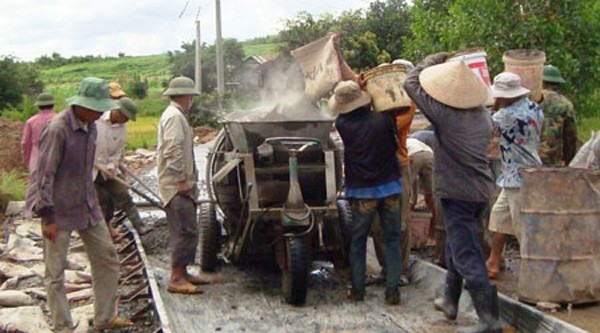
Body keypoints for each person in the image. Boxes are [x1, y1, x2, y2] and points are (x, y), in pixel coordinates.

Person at [404, 53, 502, 333]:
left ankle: (488, 320)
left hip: (458, 194)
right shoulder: (483, 115)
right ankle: (450, 299)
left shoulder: (445, 116)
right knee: (455, 245)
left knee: (466, 253)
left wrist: (431, 61)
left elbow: (411, 84)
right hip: (481, 192)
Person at [32, 77, 133, 332]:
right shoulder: (57, 129)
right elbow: (44, 175)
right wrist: (47, 216)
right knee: (55, 272)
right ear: (82, 105)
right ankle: (62, 325)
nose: (101, 112)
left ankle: (104, 317)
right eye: (97, 107)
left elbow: (87, 170)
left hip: (87, 205)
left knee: (107, 259)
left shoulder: (92, 127)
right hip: (59, 208)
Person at [331, 80, 402, 305]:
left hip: (362, 192)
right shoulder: (384, 120)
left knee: (359, 241)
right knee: (392, 240)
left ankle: (358, 290)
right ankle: (393, 292)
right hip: (390, 187)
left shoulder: (342, 124)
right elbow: (394, 145)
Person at [485, 72, 544, 280]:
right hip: (523, 172)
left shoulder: (504, 116)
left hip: (518, 178)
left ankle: (535, 274)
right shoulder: (534, 108)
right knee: (500, 218)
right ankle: (493, 261)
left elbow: (487, 131)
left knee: (523, 228)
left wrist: (493, 110)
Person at [158, 76, 206, 294]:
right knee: (185, 230)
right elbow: (172, 149)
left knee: (187, 228)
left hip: (178, 183)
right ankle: (176, 278)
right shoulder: (175, 117)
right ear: (187, 96)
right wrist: (180, 179)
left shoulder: (175, 115)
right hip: (175, 185)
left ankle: (183, 272)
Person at [94, 97, 150, 236]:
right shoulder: (97, 121)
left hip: (109, 168)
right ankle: (103, 232)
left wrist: (112, 166)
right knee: (101, 200)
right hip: (92, 169)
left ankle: (139, 226)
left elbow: (118, 151)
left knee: (123, 194)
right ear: (118, 112)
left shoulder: (122, 129)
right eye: (126, 117)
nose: (127, 121)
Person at [22, 92, 56, 220]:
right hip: (54, 151)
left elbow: (25, 142)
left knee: (34, 183)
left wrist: (26, 158)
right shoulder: (59, 119)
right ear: (52, 105)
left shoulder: (31, 121)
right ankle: (53, 211)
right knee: (55, 182)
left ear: (39, 106)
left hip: (37, 153)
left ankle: (29, 211)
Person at [538, 65, 577, 167]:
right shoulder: (565, 104)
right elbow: (570, 137)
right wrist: (569, 161)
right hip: (552, 162)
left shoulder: (530, 99)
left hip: (528, 160)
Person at [406, 137, 436, 241]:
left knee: (405, 192)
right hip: (429, 155)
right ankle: (432, 234)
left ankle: (405, 231)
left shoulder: (403, 141)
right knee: (431, 194)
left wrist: (411, 202)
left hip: (413, 155)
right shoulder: (417, 140)